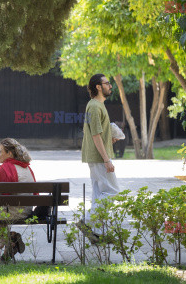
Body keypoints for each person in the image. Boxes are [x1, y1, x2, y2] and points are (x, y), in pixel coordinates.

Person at [80, 73, 120, 243]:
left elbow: (92, 132)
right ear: (98, 86)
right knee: (112, 191)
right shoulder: (95, 107)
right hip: (98, 158)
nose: (110, 86)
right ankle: (87, 222)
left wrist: (109, 138)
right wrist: (106, 159)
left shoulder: (94, 105)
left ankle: (97, 233)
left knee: (98, 194)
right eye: (107, 83)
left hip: (94, 156)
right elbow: (95, 134)